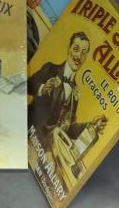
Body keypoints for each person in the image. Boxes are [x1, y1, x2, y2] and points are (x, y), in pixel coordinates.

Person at [28, 31, 107, 184]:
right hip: (33, 133)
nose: (79, 56)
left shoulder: (75, 91)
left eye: (84, 52)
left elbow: (69, 128)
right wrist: (42, 88)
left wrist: (91, 126)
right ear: (69, 49)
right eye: (76, 49)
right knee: (54, 174)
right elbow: (28, 84)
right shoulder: (51, 69)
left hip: (52, 145)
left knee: (66, 179)